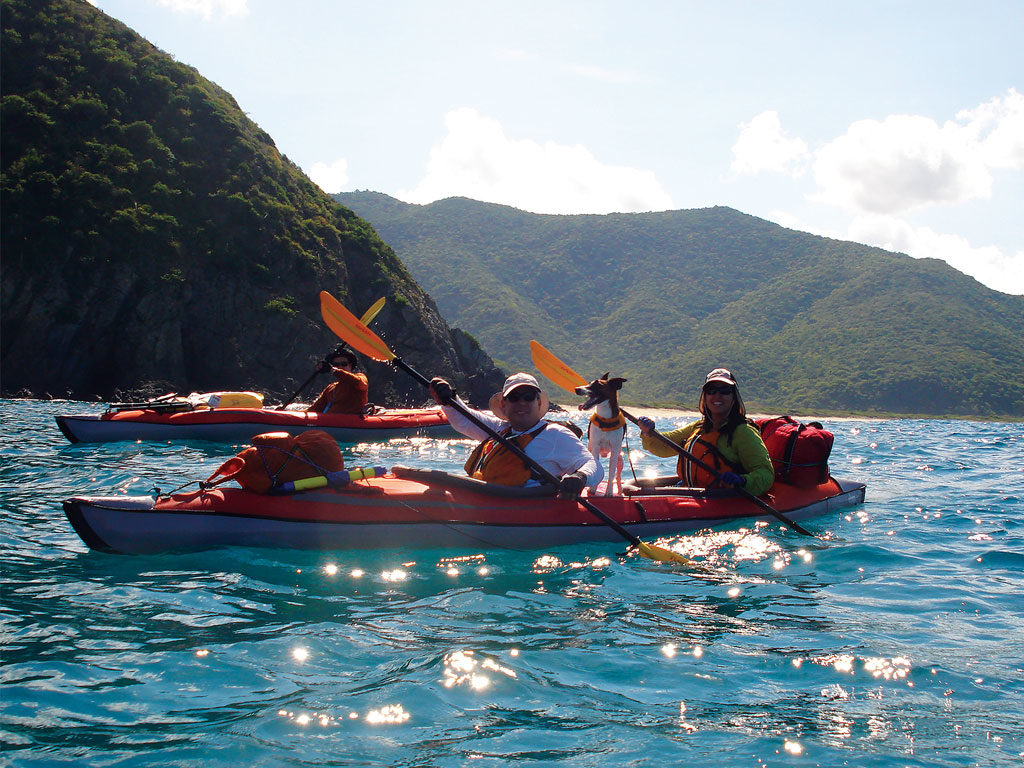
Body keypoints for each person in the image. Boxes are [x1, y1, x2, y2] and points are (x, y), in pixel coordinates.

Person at [429, 372, 602, 497]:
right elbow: (465, 420)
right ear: (504, 404)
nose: (522, 403)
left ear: (538, 402)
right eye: (514, 397)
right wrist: (448, 399)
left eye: (528, 397)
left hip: (527, 508)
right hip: (487, 499)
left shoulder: (555, 434)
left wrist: (580, 477)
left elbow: (592, 464)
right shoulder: (500, 429)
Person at [636, 368, 774, 496]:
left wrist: (742, 481)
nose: (717, 396)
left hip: (723, 501)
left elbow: (766, 473)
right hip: (692, 495)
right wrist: (649, 432)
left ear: (734, 397)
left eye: (725, 391)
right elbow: (663, 447)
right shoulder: (698, 427)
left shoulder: (744, 432)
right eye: (711, 390)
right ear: (705, 396)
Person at [308, 349, 369, 414]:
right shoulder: (330, 388)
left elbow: (359, 383)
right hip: (330, 422)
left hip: (351, 422)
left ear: (350, 366)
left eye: (344, 364)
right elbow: (314, 409)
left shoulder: (360, 378)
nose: (340, 367)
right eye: (336, 365)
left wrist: (333, 370)